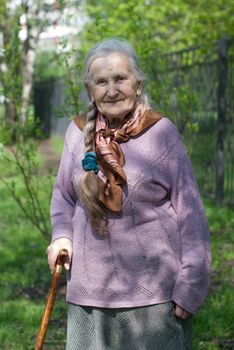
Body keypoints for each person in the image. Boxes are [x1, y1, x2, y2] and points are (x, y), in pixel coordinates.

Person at [47, 38, 211, 350]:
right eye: (101, 82)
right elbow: (64, 197)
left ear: (137, 85)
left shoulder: (161, 133)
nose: (111, 89)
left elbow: (192, 214)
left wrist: (192, 282)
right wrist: (61, 236)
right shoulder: (76, 132)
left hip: (153, 298)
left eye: (120, 79)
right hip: (89, 296)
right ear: (90, 90)